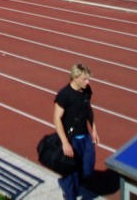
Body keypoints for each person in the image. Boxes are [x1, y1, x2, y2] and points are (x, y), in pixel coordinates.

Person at [53, 63, 100, 200]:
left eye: (88, 78)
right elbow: (57, 118)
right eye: (85, 79)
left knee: (87, 170)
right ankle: (68, 192)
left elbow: (88, 109)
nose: (88, 82)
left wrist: (94, 130)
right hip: (70, 139)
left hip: (85, 137)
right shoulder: (64, 95)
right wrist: (65, 143)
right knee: (71, 174)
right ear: (75, 78)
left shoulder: (87, 90)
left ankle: (65, 183)